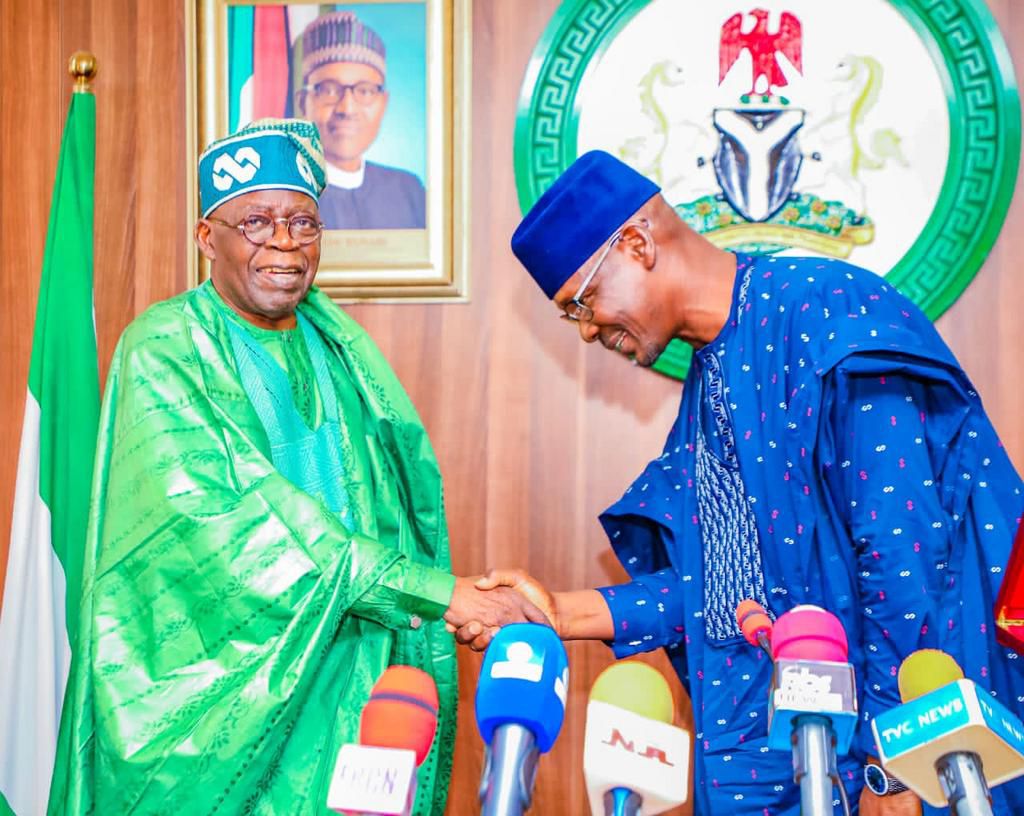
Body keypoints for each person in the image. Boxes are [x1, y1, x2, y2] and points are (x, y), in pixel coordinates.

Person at [460, 150, 1024, 815]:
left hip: (905, 759)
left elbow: (901, 551)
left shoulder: (826, 309)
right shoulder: (714, 376)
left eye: (581, 303)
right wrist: (558, 613)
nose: (586, 331)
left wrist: (891, 765)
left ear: (637, 244)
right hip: (788, 763)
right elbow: (723, 592)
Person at [46, 119, 545, 816]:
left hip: (347, 670)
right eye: (256, 221)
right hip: (222, 689)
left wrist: (448, 595)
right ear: (204, 238)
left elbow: (391, 512)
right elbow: (240, 529)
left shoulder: (339, 347)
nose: (284, 244)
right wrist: (439, 593)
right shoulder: (162, 349)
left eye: (304, 224)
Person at [297, 11, 426, 230]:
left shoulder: (408, 191)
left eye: (364, 91)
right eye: (329, 90)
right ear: (303, 103)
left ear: (383, 103)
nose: (347, 108)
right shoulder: (283, 194)